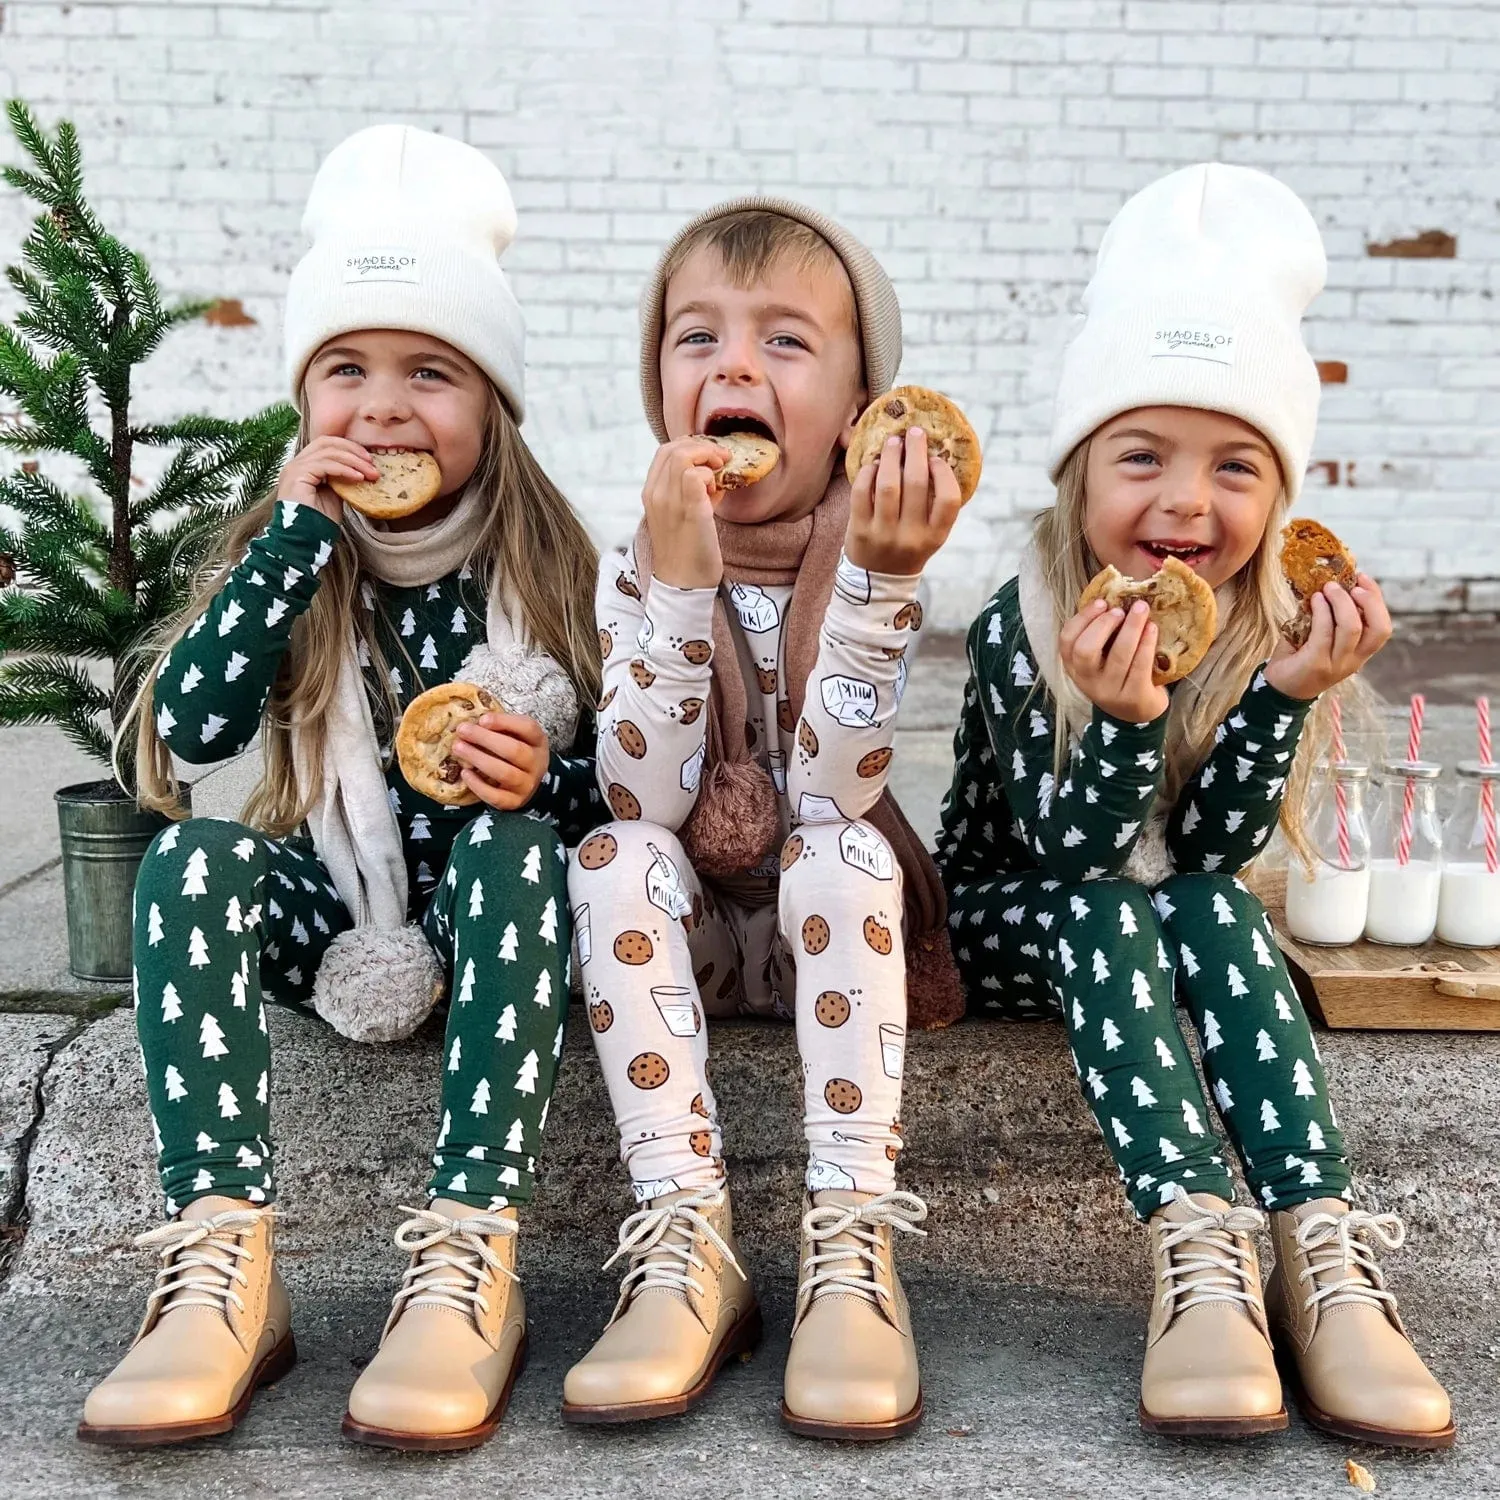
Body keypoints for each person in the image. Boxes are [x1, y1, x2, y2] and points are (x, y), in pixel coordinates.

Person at [79, 125, 603, 1452]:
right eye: (346, 371)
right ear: (305, 401)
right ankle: (221, 1265)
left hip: (495, 922)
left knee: (520, 850)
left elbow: (625, 805)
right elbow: (189, 738)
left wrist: (550, 777)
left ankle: (470, 1254)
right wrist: (294, 545)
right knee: (193, 857)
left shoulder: (547, 566)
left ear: (492, 403)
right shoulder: (288, 554)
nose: (382, 409)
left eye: (432, 372)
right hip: (332, 916)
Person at [936, 163, 1452, 1448]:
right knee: (1114, 910)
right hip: (1007, 917)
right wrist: (1118, 722)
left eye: (1235, 467)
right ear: (1079, 474)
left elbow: (1212, 850)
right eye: (1142, 456)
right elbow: (1067, 854)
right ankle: (1194, 1245)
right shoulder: (1029, 620)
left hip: (1157, 908)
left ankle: (1319, 1250)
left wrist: (1280, 693)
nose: (1184, 500)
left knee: (1216, 905)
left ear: (1278, 504)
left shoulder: (1265, 626)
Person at [564, 200, 964, 1439]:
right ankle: (688, 1235)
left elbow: (833, 788)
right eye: (700, 339)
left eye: (784, 342)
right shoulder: (636, 556)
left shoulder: (873, 544)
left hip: (825, 938)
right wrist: (680, 592)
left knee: (845, 848)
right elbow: (647, 795)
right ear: (662, 387)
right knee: (611, 851)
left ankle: (852, 1238)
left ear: (857, 411)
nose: (734, 366)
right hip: (681, 933)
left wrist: (884, 585)